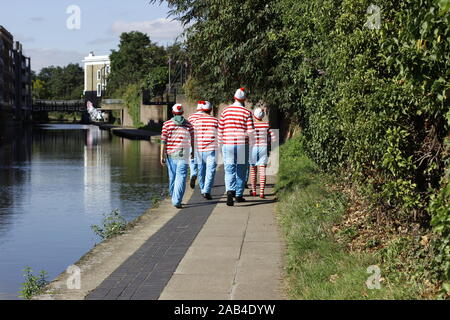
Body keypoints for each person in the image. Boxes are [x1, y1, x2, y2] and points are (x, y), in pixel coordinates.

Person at [218, 87, 254, 206]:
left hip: (227, 144)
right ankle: (238, 194)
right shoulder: (247, 112)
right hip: (242, 144)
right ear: (244, 99)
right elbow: (250, 132)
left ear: (234, 98)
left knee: (229, 169)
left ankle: (229, 191)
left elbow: (220, 130)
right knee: (241, 169)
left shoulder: (225, 111)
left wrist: (220, 144)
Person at [160, 104, 194, 209]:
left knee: (173, 177)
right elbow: (192, 140)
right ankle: (177, 200)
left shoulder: (167, 124)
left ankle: (173, 197)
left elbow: (163, 141)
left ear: (172, 112)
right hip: (183, 154)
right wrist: (193, 151)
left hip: (171, 154)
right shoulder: (189, 125)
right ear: (182, 112)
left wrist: (161, 155)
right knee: (181, 178)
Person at [193, 101, 219, 200]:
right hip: (211, 148)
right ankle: (206, 190)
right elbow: (219, 135)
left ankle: (202, 189)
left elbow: (193, 134)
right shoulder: (215, 121)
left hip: (199, 148)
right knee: (210, 170)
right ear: (211, 110)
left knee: (201, 169)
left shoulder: (196, 121)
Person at [249, 108, 276, 199]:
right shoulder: (266, 125)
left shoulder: (251, 125)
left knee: (253, 171)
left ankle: (253, 191)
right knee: (262, 171)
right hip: (263, 148)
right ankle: (262, 192)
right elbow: (273, 138)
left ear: (254, 116)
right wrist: (268, 142)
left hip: (253, 148)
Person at [187, 103, 206, 189]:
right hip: (203, 142)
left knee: (192, 158)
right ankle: (203, 183)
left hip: (192, 140)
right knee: (202, 162)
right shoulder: (207, 117)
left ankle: (193, 173)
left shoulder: (191, 117)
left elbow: (188, 128)